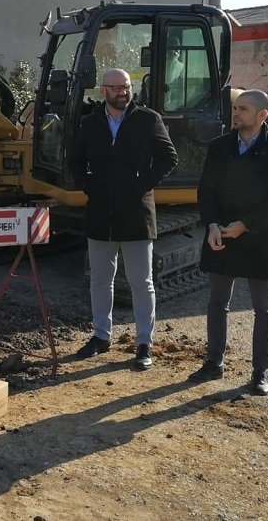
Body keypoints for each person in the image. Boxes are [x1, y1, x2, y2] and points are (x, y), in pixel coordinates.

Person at [187, 89, 268, 395]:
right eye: (235, 108)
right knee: (218, 302)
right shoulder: (220, 146)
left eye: (243, 109)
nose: (235, 114)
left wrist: (245, 225)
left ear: (262, 115)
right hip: (221, 234)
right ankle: (213, 363)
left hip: (259, 237)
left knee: (264, 308)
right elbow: (206, 190)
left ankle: (260, 373)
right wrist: (212, 225)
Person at [74, 68, 179, 370]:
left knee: (141, 282)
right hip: (100, 213)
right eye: (116, 87)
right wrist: (89, 185)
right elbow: (76, 161)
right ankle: (100, 336)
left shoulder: (148, 119)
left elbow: (168, 157)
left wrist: (141, 184)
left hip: (136, 213)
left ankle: (144, 342)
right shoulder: (90, 123)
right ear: (103, 91)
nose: (123, 92)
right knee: (100, 280)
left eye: (126, 87)